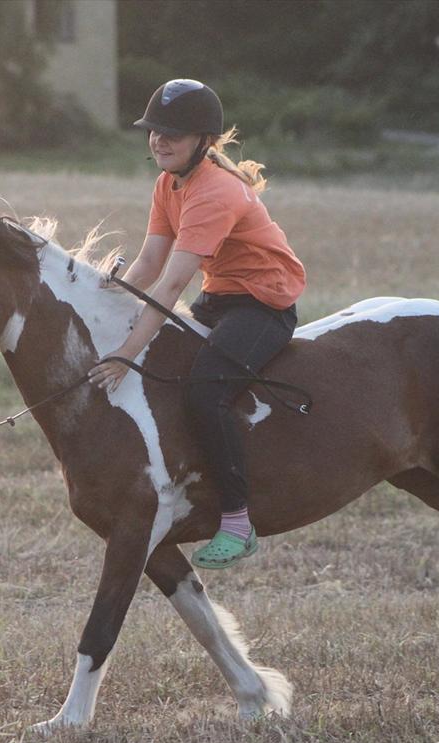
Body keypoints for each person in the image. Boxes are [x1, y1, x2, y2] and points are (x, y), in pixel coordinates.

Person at [87, 78, 306, 569]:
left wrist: (126, 354)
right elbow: (146, 266)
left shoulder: (215, 192)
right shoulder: (168, 183)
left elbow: (169, 287)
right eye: (153, 131)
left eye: (173, 134)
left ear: (203, 141)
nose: (159, 141)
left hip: (263, 304)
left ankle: (237, 520)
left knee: (206, 390)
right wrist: (98, 290)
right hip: (222, 297)